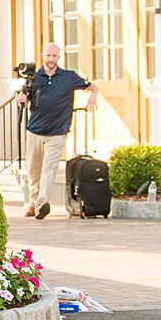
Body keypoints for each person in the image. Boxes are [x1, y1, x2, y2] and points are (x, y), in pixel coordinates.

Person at [15, 43, 98, 219]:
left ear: (58, 57)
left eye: (54, 56)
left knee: (49, 168)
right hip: (35, 131)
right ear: (43, 56)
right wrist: (20, 98)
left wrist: (92, 97)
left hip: (57, 132)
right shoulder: (34, 78)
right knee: (33, 169)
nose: (51, 59)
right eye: (48, 56)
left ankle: (42, 203)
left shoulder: (68, 77)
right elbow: (23, 98)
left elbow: (92, 86)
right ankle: (33, 202)